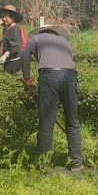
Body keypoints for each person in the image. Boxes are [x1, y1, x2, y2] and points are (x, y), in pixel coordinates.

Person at [20, 25, 83, 171]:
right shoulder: (64, 42)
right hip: (71, 78)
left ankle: (44, 166)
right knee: (73, 122)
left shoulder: (36, 38)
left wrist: (27, 79)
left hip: (49, 77)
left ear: (41, 32)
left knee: (46, 124)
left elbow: (24, 54)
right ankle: (77, 163)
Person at [0, 4, 26, 74]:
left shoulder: (15, 28)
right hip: (10, 60)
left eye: (6, 16)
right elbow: (8, 38)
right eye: (2, 16)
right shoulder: (9, 28)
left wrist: (5, 55)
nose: (3, 19)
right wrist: (0, 42)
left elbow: (17, 46)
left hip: (14, 61)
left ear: (13, 17)